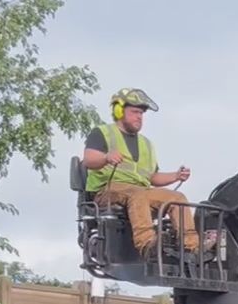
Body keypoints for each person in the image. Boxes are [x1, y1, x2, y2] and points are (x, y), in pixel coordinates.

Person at [83, 88, 216, 259]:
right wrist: (107, 157)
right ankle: (147, 245)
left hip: (140, 191)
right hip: (106, 190)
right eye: (135, 112)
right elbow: (89, 160)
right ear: (118, 111)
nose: (139, 117)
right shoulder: (103, 133)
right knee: (139, 194)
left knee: (177, 197)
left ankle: (192, 247)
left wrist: (175, 176)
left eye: (141, 113)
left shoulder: (146, 144)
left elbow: (152, 177)